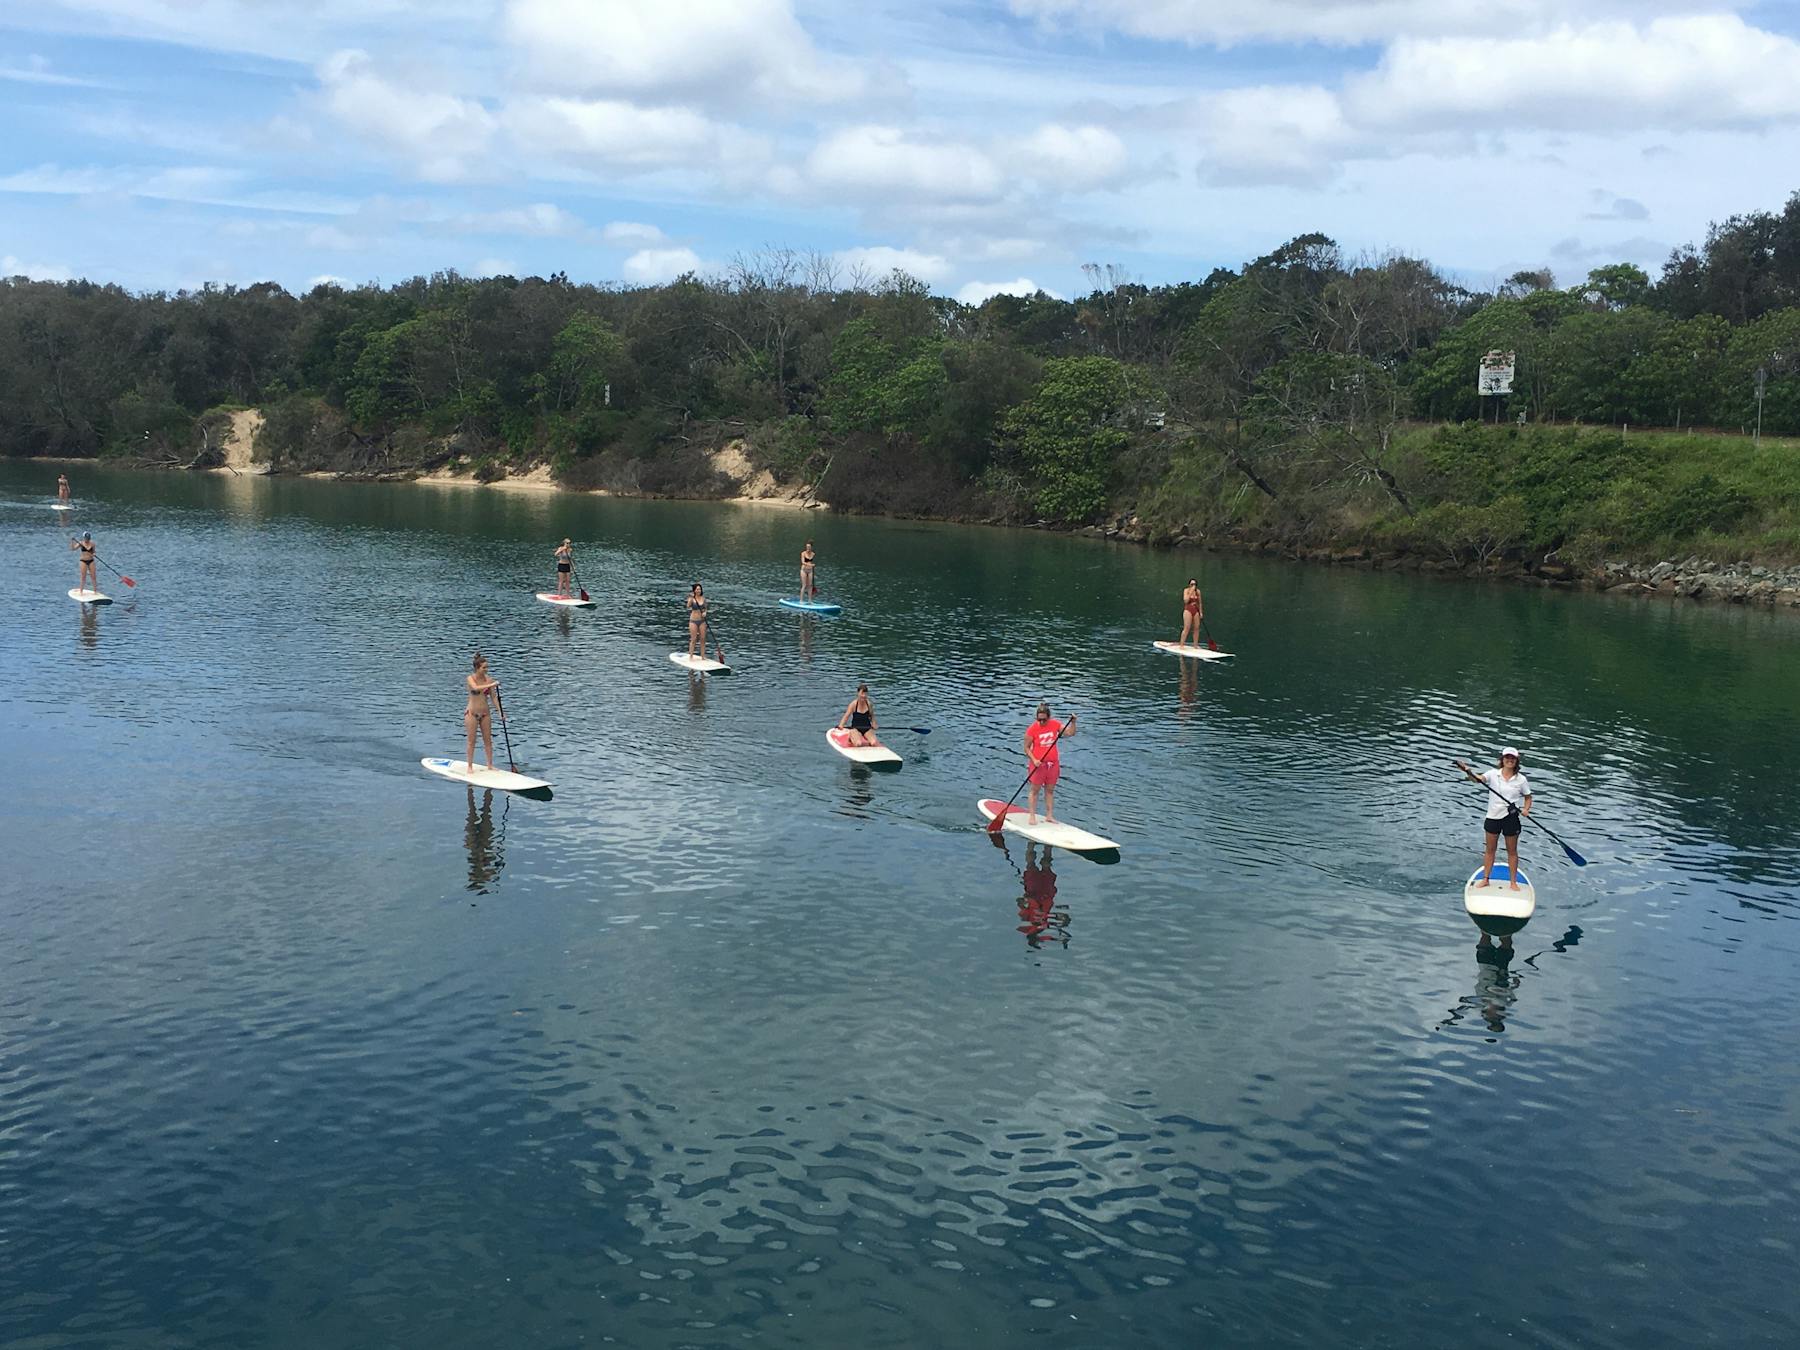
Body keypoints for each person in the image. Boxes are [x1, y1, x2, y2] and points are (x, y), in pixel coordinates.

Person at [1455, 748, 1532, 891]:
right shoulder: (1492, 774)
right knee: (1490, 850)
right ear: (1502, 759)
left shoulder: (1521, 780)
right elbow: (1477, 780)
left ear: (1516, 761)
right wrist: (1468, 771)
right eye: (1507, 757)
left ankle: (1513, 882)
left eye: (1512, 758)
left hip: (1511, 817)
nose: (1510, 760)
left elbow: (1528, 797)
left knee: (1512, 851)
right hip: (1493, 817)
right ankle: (1486, 879)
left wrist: (1526, 809)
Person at [1022, 702, 1076, 823]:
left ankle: (1049, 816)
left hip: (1052, 764)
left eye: (1044, 720)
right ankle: (1032, 816)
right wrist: (1034, 759)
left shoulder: (1055, 724)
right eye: (1039, 719)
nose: (1041, 722)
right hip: (1038, 765)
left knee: (1050, 790)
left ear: (1049, 717)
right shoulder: (1032, 729)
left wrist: (1073, 722)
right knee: (1034, 790)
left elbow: (1070, 733)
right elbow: (1026, 748)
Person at [464, 652, 500, 773]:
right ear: (477, 668)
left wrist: (500, 712)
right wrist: (492, 684)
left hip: (485, 713)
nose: (486, 670)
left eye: (487, 667)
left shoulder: (489, 679)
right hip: (472, 713)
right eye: (484, 668)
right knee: (471, 740)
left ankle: (489, 764)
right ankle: (469, 766)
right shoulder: (470, 678)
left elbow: (494, 697)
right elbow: (475, 688)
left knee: (488, 740)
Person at [685, 582, 709, 662]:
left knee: (703, 638)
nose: (699, 590)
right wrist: (690, 599)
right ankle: (691, 656)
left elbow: (705, 608)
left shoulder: (703, 598)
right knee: (694, 639)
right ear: (694, 590)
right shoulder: (692, 598)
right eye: (697, 589)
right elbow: (688, 606)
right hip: (693, 621)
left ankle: (703, 656)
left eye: (700, 589)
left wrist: (705, 613)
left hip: (702, 621)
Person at [1178, 578, 1203, 649]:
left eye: (1195, 584)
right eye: (1192, 584)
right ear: (1189, 585)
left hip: (1196, 610)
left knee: (1196, 628)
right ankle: (1181, 645)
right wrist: (1191, 592)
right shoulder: (1186, 590)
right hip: (1188, 610)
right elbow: (1186, 601)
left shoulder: (1198, 592)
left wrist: (1201, 612)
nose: (1193, 586)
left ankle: (1195, 645)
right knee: (1187, 627)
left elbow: (1200, 603)